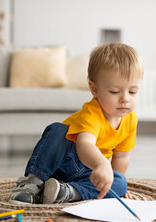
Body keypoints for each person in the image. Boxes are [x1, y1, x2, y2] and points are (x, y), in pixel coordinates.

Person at [10, 42, 143, 204]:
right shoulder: (92, 112)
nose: (125, 98)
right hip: (64, 163)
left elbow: (122, 156)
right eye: (115, 91)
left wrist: (110, 180)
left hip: (88, 174)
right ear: (94, 89)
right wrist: (102, 164)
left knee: (121, 182)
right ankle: (33, 183)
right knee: (57, 130)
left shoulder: (130, 119)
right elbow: (84, 145)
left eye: (133, 91)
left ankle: (66, 192)